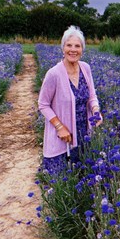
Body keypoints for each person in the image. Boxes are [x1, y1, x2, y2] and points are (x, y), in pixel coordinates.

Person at [38, 25, 102, 174]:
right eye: (69, 45)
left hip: (83, 134)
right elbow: (43, 104)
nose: (73, 50)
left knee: (81, 177)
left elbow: (92, 96)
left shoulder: (85, 68)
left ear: (82, 49)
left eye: (77, 46)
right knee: (61, 181)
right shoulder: (54, 74)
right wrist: (60, 127)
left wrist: (96, 111)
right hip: (63, 138)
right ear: (63, 48)